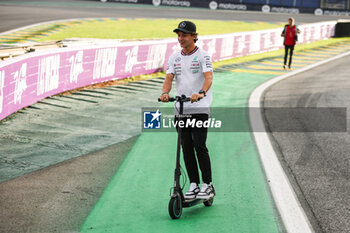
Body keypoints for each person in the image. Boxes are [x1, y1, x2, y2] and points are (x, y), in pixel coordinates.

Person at [159, 21, 214, 200]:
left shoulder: (203, 56)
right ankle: (194, 184)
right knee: (186, 147)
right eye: (179, 35)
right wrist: (165, 93)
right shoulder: (174, 57)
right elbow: (169, 77)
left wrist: (201, 93)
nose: (180, 38)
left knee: (199, 145)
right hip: (181, 108)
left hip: (199, 108)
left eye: (184, 35)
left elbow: (209, 77)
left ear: (194, 36)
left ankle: (208, 184)